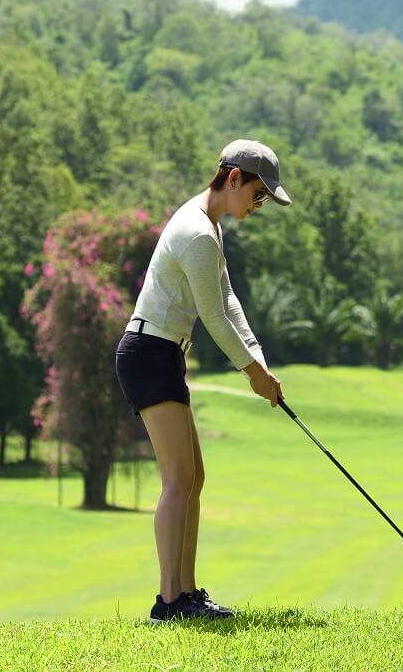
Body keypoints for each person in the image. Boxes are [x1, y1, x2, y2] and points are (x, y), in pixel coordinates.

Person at [114, 139, 291, 623]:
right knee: (178, 479)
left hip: (162, 353)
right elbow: (212, 317)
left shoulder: (207, 225)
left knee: (194, 477)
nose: (257, 207)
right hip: (149, 353)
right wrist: (252, 375)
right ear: (233, 178)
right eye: (257, 195)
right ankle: (169, 601)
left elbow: (227, 297)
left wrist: (257, 359)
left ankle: (186, 594)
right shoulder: (197, 233)